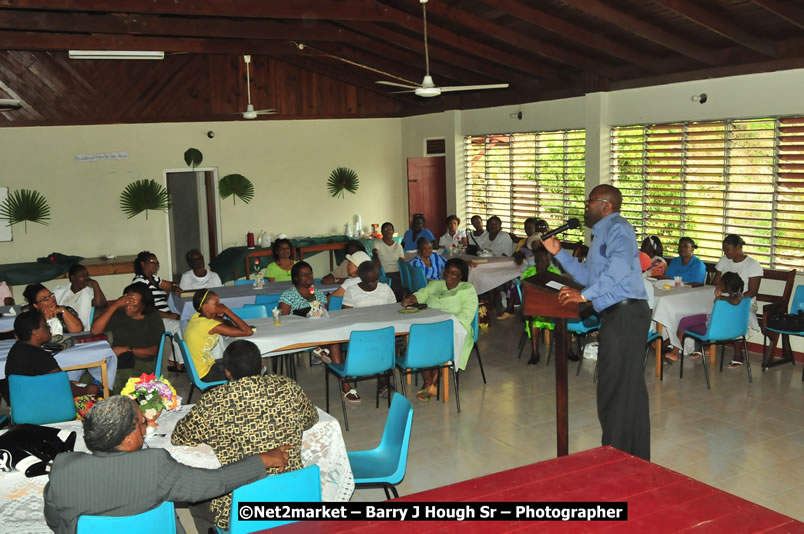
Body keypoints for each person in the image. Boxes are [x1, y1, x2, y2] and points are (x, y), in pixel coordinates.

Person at [43, 395, 290, 534]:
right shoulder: (154, 464)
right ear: (128, 438)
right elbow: (215, 482)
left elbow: (55, 523)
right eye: (142, 423)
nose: (145, 428)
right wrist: (263, 459)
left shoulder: (62, 468)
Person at [542, 184, 651, 461]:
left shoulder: (618, 228)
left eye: (590, 200)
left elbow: (619, 269)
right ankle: (631, 455)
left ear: (606, 205)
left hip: (626, 314)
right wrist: (558, 253)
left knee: (615, 389)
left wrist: (583, 296)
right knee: (621, 388)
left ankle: (617, 456)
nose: (586, 205)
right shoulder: (600, 233)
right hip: (617, 315)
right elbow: (588, 276)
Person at [171, 340, 318, 531]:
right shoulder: (288, 386)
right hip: (293, 493)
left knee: (198, 504)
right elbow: (310, 418)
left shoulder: (214, 401)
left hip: (242, 503)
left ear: (227, 372)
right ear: (262, 364)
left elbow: (180, 436)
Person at [401, 258, 478, 402]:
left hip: (455, 328)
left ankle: (430, 384)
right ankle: (430, 383)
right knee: (418, 339)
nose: (449, 275)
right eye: (447, 271)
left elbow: (467, 314)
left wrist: (446, 326)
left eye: (454, 273)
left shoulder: (467, 289)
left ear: (461, 276)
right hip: (430, 325)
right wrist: (411, 298)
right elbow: (422, 294)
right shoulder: (436, 284)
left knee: (439, 344)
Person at [0, 310, 100, 404]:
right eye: (45, 325)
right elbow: (63, 388)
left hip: (21, 409)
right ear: (35, 333)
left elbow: (39, 382)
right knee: (97, 399)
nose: (49, 328)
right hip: (47, 409)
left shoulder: (15, 350)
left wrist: (67, 383)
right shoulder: (41, 356)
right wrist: (87, 390)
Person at [91, 284, 165, 391]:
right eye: (127, 302)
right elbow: (95, 331)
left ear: (144, 304)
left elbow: (156, 350)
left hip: (142, 363)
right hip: (119, 361)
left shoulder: (153, 317)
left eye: (133, 304)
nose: (128, 306)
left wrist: (127, 349)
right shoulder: (120, 314)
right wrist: (114, 306)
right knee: (88, 378)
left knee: (113, 380)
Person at [666, 272, 745, 362]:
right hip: (716, 324)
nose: (719, 284)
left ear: (726, 285)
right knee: (684, 321)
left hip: (716, 330)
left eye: (721, 282)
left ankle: (675, 352)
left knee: (684, 324)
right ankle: (674, 349)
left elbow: (735, 301)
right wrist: (720, 296)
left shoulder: (738, 297)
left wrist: (720, 298)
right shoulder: (736, 296)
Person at [711, 234, 763, 367]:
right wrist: (719, 288)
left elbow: (752, 291)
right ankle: (708, 344)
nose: (725, 252)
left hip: (745, 301)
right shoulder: (724, 260)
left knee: (733, 315)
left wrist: (732, 299)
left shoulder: (752, 264)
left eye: (727, 249)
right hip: (724, 299)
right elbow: (716, 281)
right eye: (724, 249)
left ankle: (738, 353)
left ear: (738, 247)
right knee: (704, 309)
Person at [183, 289, 253, 383]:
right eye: (216, 303)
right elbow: (248, 331)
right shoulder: (208, 325)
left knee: (240, 361)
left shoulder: (197, 316)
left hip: (198, 369)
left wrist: (222, 318)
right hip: (205, 374)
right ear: (205, 308)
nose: (220, 305)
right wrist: (226, 310)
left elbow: (224, 321)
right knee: (247, 367)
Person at [132, 251, 183, 370]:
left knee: (185, 322)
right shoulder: (140, 282)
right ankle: (176, 362)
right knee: (180, 326)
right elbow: (145, 309)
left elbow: (171, 285)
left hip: (164, 315)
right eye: (152, 262)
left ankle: (176, 359)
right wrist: (169, 315)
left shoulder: (154, 279)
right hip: (153, 319)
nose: (155, 265)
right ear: (142, 264)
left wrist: (174, 287)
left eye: (157, 263)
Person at [520, 248, 561, 365]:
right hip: (536, 307)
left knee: (567, 316)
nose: (545, 263)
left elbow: (561, 290)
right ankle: (535, 353)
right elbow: (525, 293)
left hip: (553, 307)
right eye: (542, 261)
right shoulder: (529, 273)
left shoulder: (554, 271)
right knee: (533, 319)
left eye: (547, 260)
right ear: (536, 261)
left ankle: (568, 351)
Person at [52, 264, 107, 328]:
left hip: (80, 329)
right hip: (60, 328)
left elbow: (100, 304)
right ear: (73, 278)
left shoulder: (89, 292)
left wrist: (95, 284)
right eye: (82, 276)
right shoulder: (59, 291)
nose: (86, 279)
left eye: (87, 276)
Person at [372, 221, 404, 299]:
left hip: (397, 272)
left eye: (390, 229)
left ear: (393, 232)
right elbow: (375, 252)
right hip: (385, 272)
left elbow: (401, 260)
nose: (388, 231)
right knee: (396, 283)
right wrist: (377, 259)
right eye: (385, 229)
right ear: (382, 232)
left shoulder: (398, 245)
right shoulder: (378, 243)